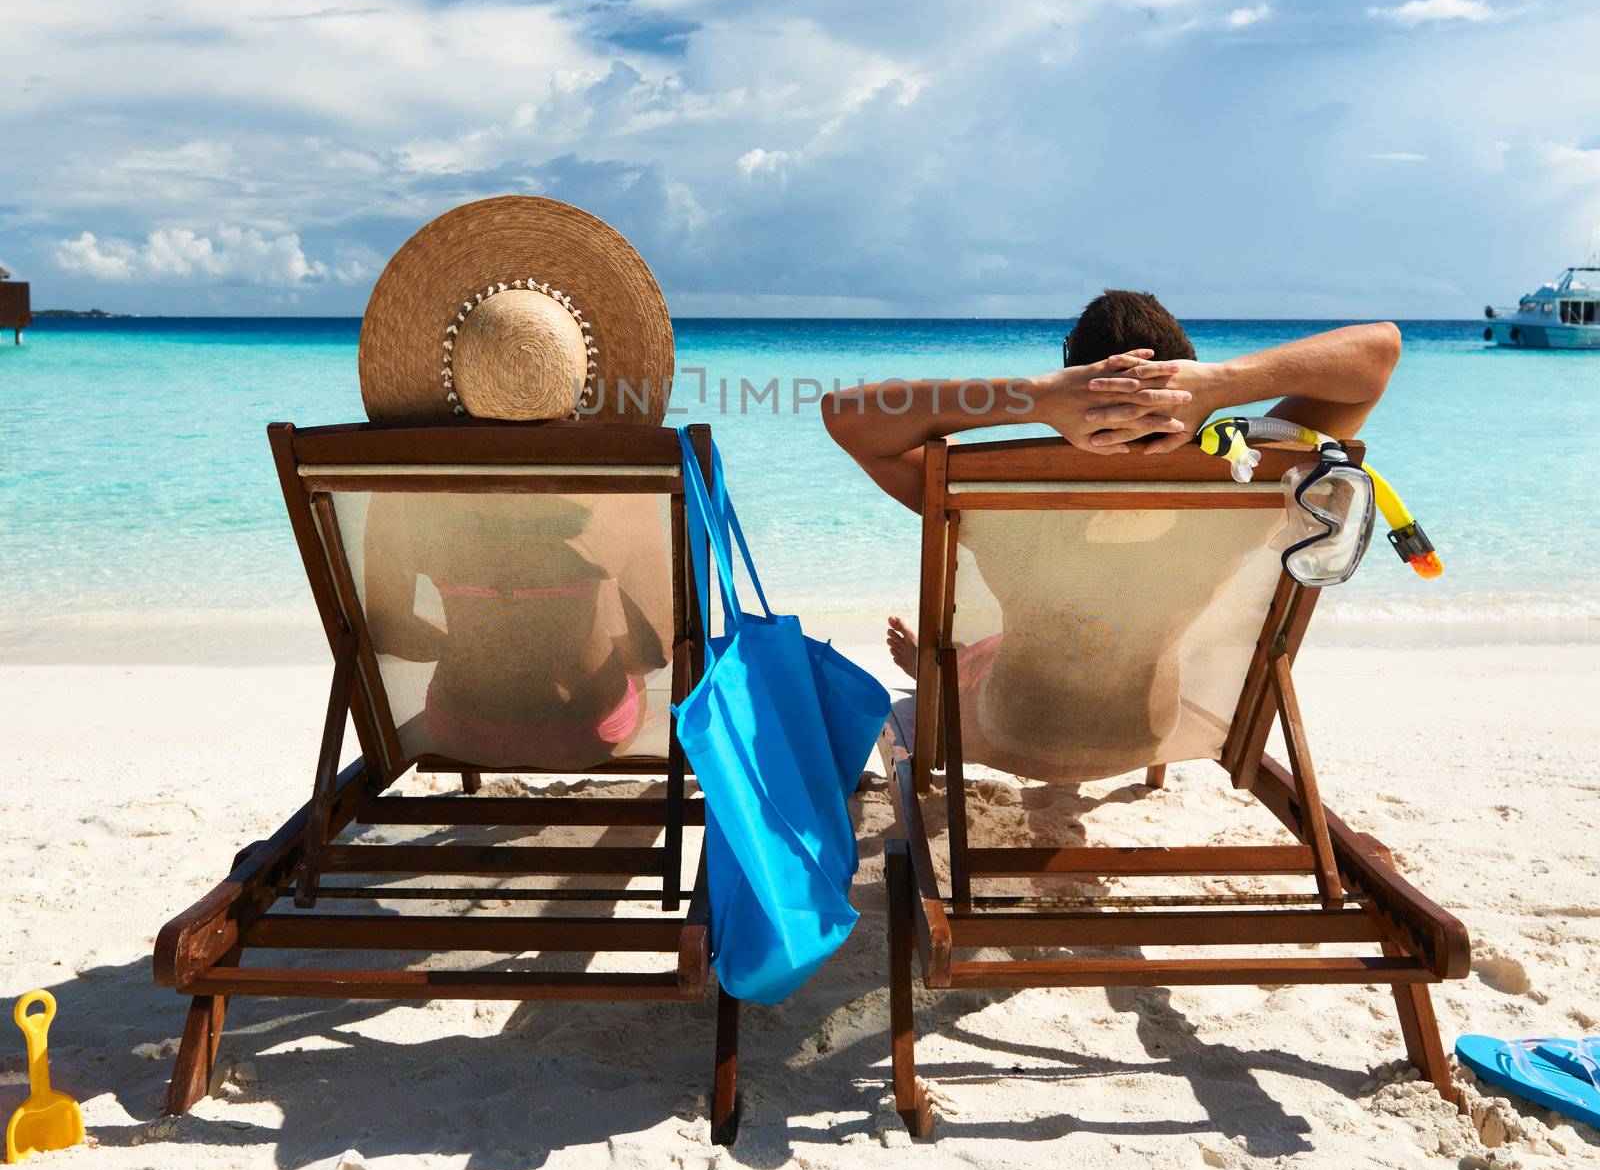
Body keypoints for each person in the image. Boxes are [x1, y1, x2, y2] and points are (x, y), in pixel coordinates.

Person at [821, 291, 1402, 777]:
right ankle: (942, 666)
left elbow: (846, 416)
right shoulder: (1248, 487)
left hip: (1013, 726)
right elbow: (1378, 352)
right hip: (1147, 731)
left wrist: (1038, 398)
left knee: (1029, 627)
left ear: (1074, 373)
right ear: (1189, 377)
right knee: (1092, 615)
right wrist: (1223, 383)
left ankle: (932, 671)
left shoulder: (997, 498)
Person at [352, 193, 680, 772]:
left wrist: (479, 646)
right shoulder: (623, 484)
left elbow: (388, 631)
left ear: (455, 368)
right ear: (579, 366)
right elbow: (655, 647)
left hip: (457, 725)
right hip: (590, 730)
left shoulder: (399, 483)